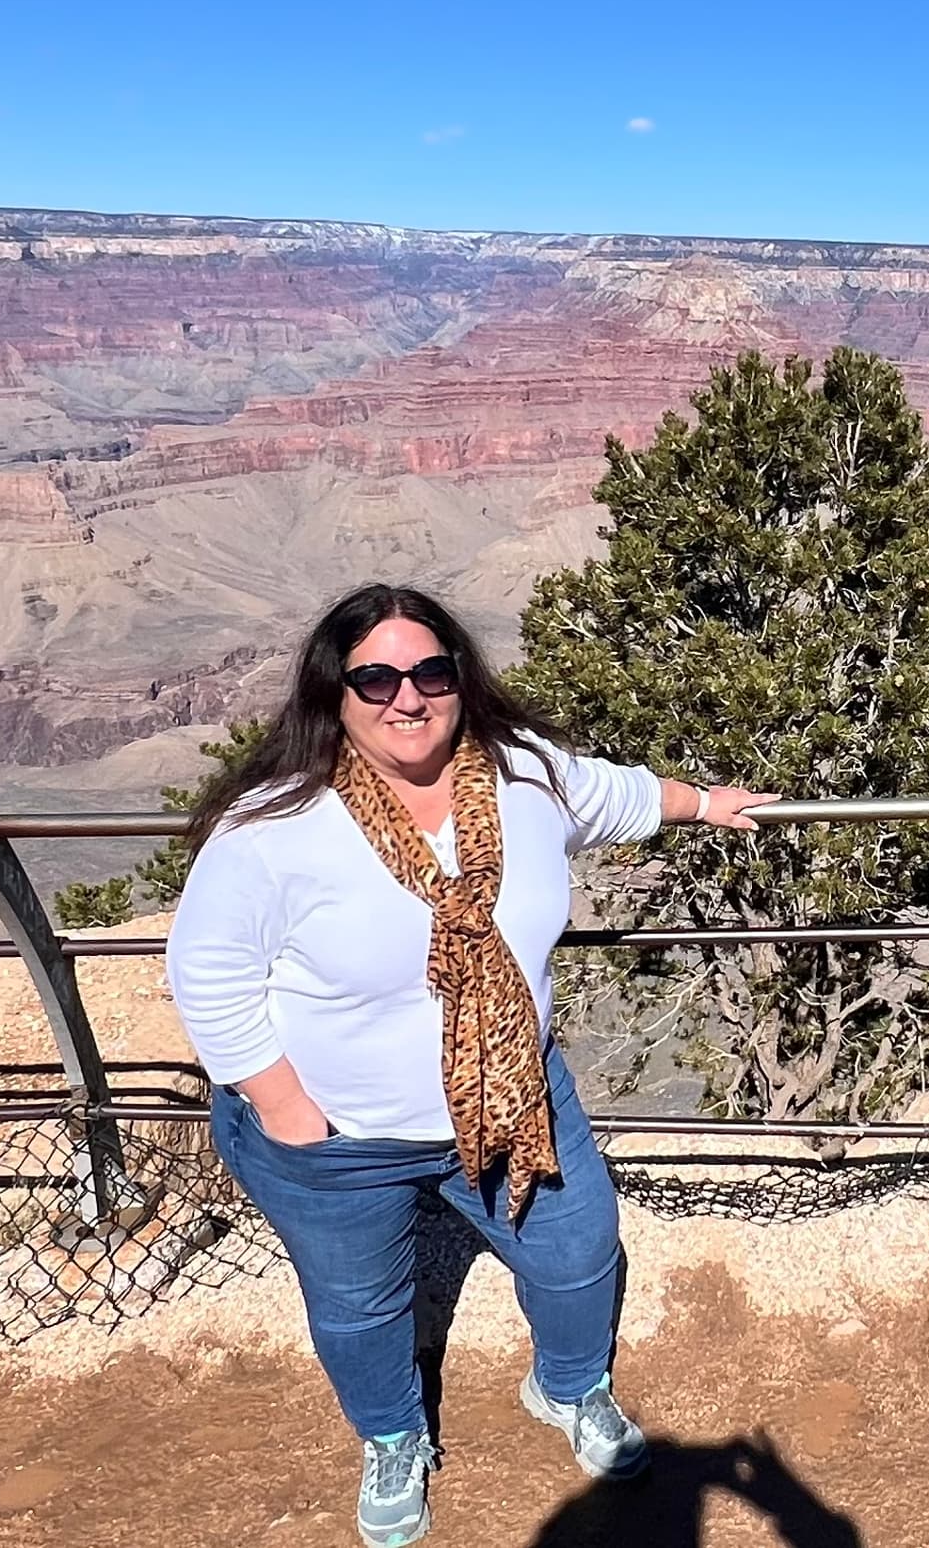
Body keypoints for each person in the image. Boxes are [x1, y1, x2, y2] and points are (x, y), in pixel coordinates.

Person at [164, 583, 775, 1548]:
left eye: (429, 671)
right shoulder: (274, 826)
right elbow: (206, 974)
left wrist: (704, 803)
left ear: (461, 678)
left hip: (511, 1096)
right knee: (361, 1306)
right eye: (375, 677)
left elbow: (616, 794)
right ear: (334, 692)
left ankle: (568, 1387)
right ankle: (393, 1435)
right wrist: (284, 1109)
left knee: (578, 1253)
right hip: (337, 1136)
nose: (406, 697)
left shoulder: (526, 776)